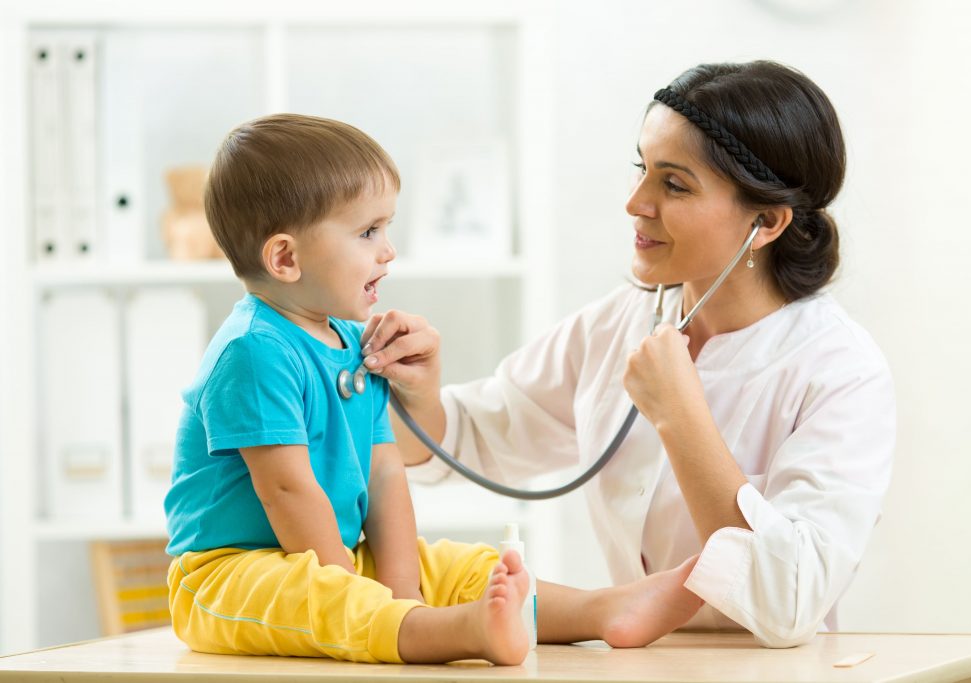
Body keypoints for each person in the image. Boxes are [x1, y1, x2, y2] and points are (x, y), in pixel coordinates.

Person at [359, 61, 898, 648]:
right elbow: (472, 439)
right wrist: (419, 398)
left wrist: (680, 416)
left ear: (764, 222)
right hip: (637, 662)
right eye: (643, 170)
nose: (635, 203)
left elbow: (787, 603)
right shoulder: (621, 321)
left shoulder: (841, 371)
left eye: (674, 184)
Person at [163, 113, 709, 667]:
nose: (388, 251)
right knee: (324, 599)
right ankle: (462, 633)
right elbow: (289, 494)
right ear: (285, 258)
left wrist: (401, 587)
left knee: (457, 568)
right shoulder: (254, 352)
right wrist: (357, 591)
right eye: (368, 232)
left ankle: (600, 610)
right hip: (231, 572)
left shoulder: (354, 343)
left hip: (333, 556)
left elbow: (384, 470)